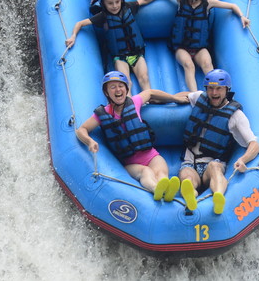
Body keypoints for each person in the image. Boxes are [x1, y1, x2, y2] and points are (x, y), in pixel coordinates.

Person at [130, 0, 250, 91]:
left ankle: (216, 93)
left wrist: (242, 16)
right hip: (181, 47)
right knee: (189, 65)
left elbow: (232, 6)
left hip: (199, 47)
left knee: (208, 65)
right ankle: (194, 95)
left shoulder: (208, 3)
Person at [76, 71, 185, 201]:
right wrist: (89, 142)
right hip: (130, 162)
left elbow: (150, 93)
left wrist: (174, 98)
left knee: (161, 172)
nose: (118, 90)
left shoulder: (134, 102)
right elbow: (81, 129)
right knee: (146, 172)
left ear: (126, 89)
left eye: (121, 86)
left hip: (150, 154)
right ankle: (156, 189)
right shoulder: (102, 114)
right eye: (113, 87)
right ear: (106, 92)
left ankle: (167, 190)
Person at [177, 69, 259, 215]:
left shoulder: (236, 115)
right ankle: (191, 195)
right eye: (210, 88)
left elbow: (254, 144)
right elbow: (181, 97)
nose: (214, 93)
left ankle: (218, 197)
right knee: (186, 176)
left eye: (219, 89)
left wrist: (243, 159)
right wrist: (151, 97)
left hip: (212, 162)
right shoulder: (199, 98)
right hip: (190, 161)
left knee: (215, 167)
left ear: (227, 90)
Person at [66, 0, 161, 92]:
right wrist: (73, 36)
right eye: (110, 3)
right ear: (103, 4)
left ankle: (149, 99)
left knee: (144, 78)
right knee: (126, 82)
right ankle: (129, 105)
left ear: (121, 0)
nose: (115, 6)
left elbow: (144, 0)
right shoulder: (103, 17)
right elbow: (80, 23)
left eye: (117, 2)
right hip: (120, 57)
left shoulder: (129, 7)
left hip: (137, 53)